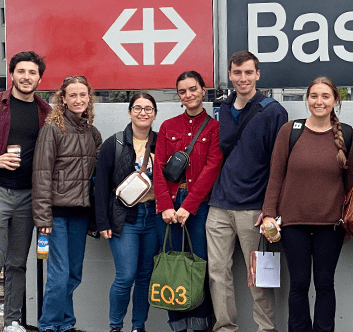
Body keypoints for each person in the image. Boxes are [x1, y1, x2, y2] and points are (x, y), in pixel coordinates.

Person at [261, 76, 353, 332]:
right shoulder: (290, 131)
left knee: (325, 285)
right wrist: (269, 213)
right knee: (299, 285)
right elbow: (276, 176)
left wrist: (349, 223)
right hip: (293, 223)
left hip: (332, 225)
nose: (319, 101)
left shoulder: (347, 135)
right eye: (314, 96)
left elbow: (351, 186)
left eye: (325, 96)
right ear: (307, 99)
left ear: (335, 100)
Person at [206, 51, 287, 332]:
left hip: (254, 208)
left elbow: (280, 164)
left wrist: (270, 209)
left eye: (248, 73)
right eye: (237, 73)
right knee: (217, 273)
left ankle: (266, 329)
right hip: (219, 205)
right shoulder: (222, 108)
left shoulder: (273, 110)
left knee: (259, 276)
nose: (243, 78)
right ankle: (225, 328)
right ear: (230, 75)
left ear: (258, 75)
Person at [153, 71, 222, 332]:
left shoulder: (214, 128)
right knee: (171, 265)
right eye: (183, 91)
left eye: (193, 89)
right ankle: (177, 326)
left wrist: (189, 206)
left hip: (198, 206)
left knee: (197, 266)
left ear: (203, 90)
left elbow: (212, 167)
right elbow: (158, 167)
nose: (189, 95)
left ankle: (201, 325)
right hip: (168, 207)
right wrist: (166, 205)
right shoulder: (168, 127)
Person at [32, 76, 103, 332]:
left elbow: (98, 178)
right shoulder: (52, 129)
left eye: (83, 95)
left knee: (74, 275)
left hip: (80, 215)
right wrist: (42, 218)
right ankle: (49, 325)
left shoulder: (92, 133)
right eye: (72, 95)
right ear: (62, 99)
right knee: (59, 276)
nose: (78, 100)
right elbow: (41, 174)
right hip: (56, 216)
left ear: (89, 98)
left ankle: (65, 323)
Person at [95, 93, 159, 332]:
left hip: (153, 217)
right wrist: (102, 222)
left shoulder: (161, 142)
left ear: (154, 114)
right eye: (138, 108)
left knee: (145, 277)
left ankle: (138, 327)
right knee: (126, 276)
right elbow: (100, 185)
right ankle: (115, 326)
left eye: (148, 109)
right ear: (130, 111)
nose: (143, 113)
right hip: (125, 219)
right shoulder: (115, 143)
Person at [0, 51, 51, 332]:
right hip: (0, 190)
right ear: (12, 74)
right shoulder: (0, 105)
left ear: (40, 78)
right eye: (21, 71)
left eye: (32, 73)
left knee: (17, 262)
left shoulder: (46, 112)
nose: (26, 77)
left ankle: (12, 322)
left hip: (29, 196)